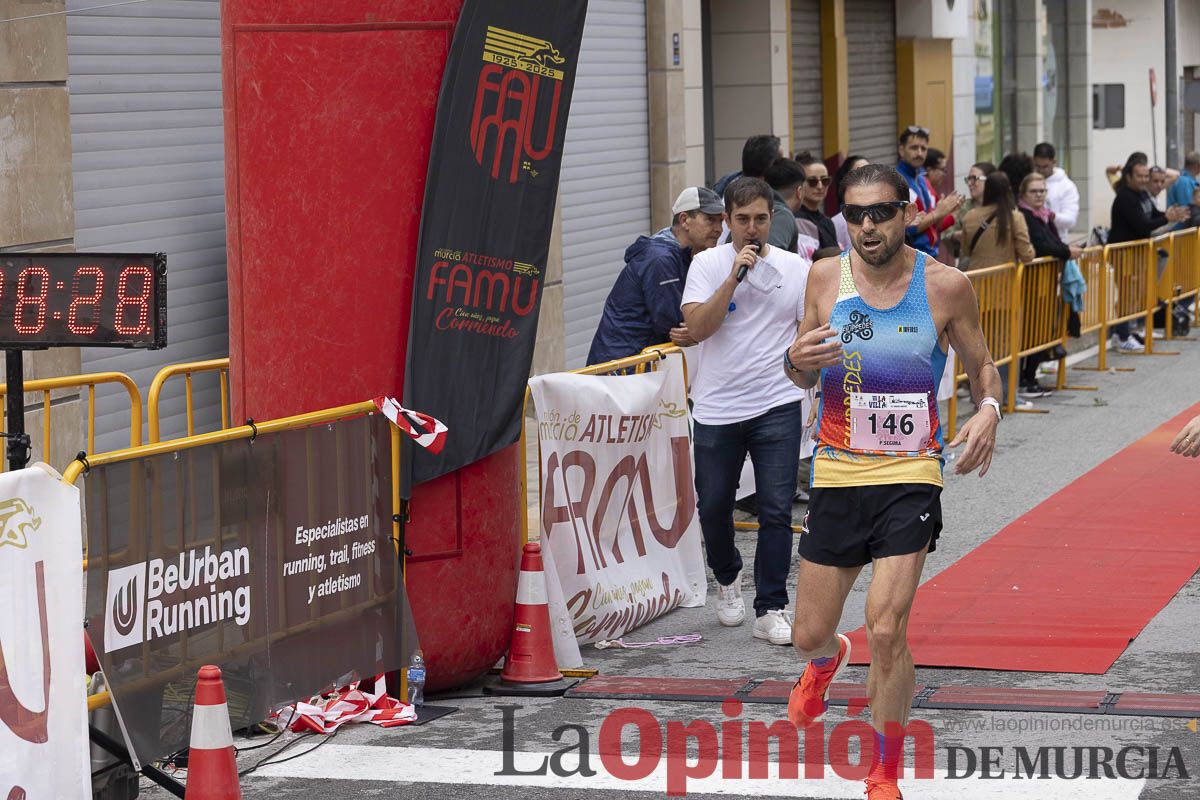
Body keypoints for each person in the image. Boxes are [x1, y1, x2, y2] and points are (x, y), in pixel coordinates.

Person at [782, 162, 1001, 800]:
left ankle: (884, 769)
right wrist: (795, 361)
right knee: (809, 634)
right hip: (837, 471)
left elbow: (982, 366)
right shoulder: (825, 277)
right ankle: (825, 664)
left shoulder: (946, 286)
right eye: (855, 214)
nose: (868, 226)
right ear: (841, 218)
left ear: (907, 213)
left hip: (910, 474)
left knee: (886, 627)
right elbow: (800, 369)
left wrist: (989, 411)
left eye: (881, 212)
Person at [681, 177, 812, 646]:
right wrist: (733, 276)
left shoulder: (797, 269)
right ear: (726, 222)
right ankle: (728, 576)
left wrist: (809, 390)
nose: (752, 229)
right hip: (717, 406)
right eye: (742, 220)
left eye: (760, 219)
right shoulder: (706, 264)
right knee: (713, 505)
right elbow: (697, 329)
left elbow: (806, 332)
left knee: (776, 509)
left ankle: (771, 605)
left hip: (777, 401)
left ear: (771, 219)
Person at [586, 187, 724, 365]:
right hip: (622, 369)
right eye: (710, 220)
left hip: (636, 366)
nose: (719, 229)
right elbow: (678, 324)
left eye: (721, 221)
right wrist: (700, 330)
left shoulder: (683, 254)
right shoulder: (660, 258)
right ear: (684, 220)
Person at [1108, 152, 1190, 351]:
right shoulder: (1125, 198)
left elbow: (1154, 215)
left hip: (1139, 252)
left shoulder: (1142, 194)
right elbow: (1143, 225)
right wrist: (1167, 218)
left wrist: (1170, 215)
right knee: (1128, 294)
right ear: (1128, 177)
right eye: (1140, 176)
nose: (1145, 180)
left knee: (1137, 294)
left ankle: (1133, 330)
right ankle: (1121, 334)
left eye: (1146, 176)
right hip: (1124, 253)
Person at [1016, 172, 1082, 398]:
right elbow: (1043, 246)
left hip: (1045, 283)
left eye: (1042, 191)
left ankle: (1031, 376)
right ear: (1023, 194)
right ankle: (1025, 379)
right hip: (1030, 284)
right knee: (1030, 331)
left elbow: (1054, 241)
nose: (1039, 195)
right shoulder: (1025, 215)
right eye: (1034, 191)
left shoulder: (1044, 215)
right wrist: (1067, 252)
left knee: (1040, 329)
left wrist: (1065, 249)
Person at [896, 125, 962, 258]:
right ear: (902, 150)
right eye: (914, 148)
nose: (919, 153)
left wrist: (947, 212)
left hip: (930, 256)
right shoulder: (897, 181)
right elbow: (908, 228)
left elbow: (934, 225)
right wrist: (938, 213)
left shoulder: (922, 179)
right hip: (911, 259)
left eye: (923, 149)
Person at [959, 172, 1034, 270]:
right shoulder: (1015, 217)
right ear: (1008, 191)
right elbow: (1027, 255)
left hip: (976, 278)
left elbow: (966, 251)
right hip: (1004, 281)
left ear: (986, 191)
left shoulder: (970, 216)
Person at [944, 161, 995, 269]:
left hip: (998, 272)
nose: (970, 183)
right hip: (970, 271)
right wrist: (955, 236)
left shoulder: (1003, 208)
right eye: (968, 179)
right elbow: (947, 234)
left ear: (990, 181)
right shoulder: (963, 207)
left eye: (974, 178)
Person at [793, 151, 840, 257]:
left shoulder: (828, 222)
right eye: (812, 181)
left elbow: (839, 260)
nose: (820, 186)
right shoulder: (795, 221)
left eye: (825, 180)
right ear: (799, 184)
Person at [1032, 142, 1080, 241]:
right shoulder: (1028, 181)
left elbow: (1071, 220)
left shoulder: (1067, 186)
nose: (1040, 170)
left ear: (1054, 162)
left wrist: (1052, 216)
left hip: (1056, 241)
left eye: (1045, 166)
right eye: (1037, 166)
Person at [832, 155, 870, 251]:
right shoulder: (837, 222)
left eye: (870, 171)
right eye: (860, 173)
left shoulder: (885, 211)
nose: (868, 177)